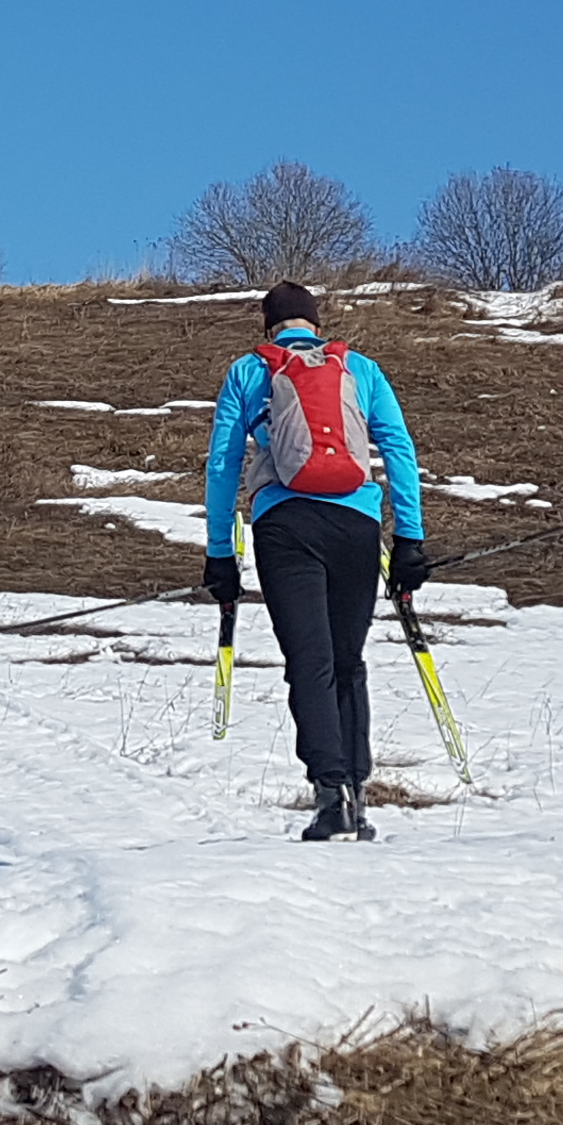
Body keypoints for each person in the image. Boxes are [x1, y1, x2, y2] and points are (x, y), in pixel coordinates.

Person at [202, 281, 426, 841]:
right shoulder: (360, 369)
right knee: (348, 660)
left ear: (268, 327)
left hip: (285, 526)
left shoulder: (249, 372)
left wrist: (220, 553)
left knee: (310, 660)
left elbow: (223, 464)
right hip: (357, 524)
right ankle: (360, 797)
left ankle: (331, 797)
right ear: (316, 326)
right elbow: (398, 448)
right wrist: (410, 538)